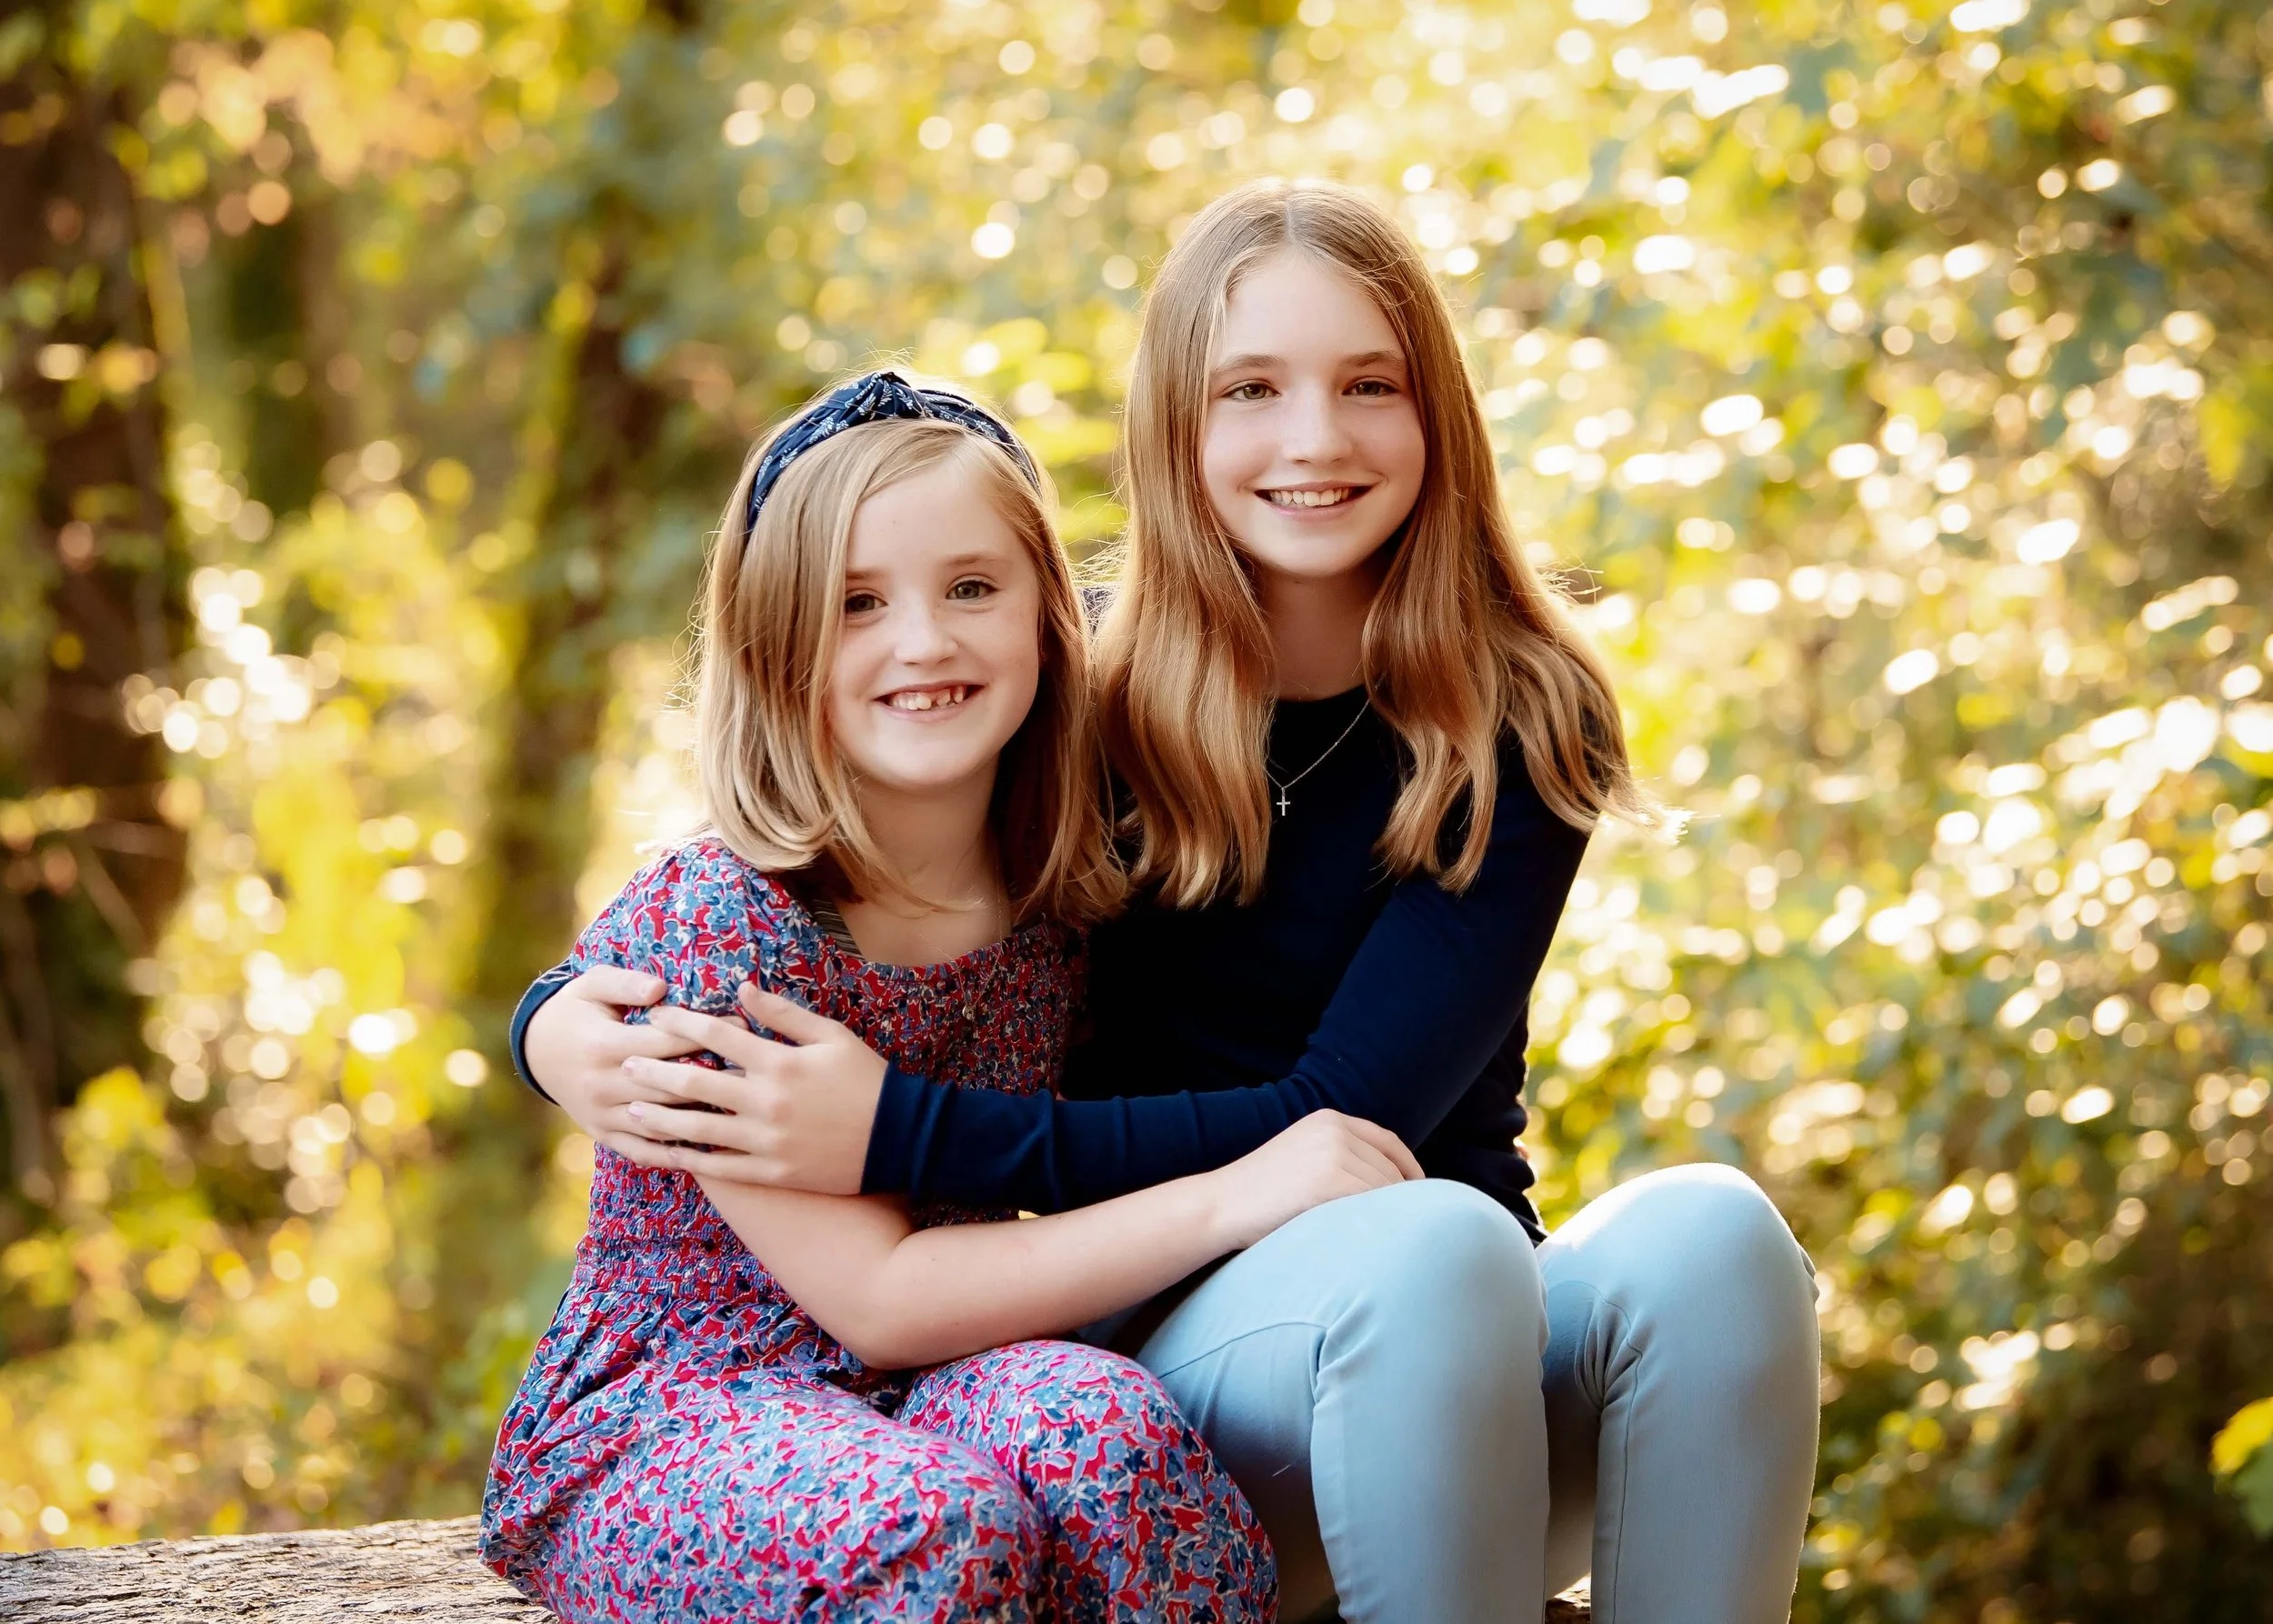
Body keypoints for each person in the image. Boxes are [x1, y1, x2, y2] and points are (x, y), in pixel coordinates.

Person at [516, 184, 1820, 1623]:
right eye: (1252, 389)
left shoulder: (1519, 720)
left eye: (1369, 384)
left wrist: (896, 1124)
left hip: (1455, 1366)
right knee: (1430, 1244)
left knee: (1711, 1234)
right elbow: (805, 867)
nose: (1314, 438)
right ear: (1174, 429)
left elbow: (1345, 1126)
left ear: (1438, 415)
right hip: (1184, 1358)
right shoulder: (1085, 701)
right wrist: (552, 1024)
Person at [484, 372, 1422, 1621]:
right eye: (857, 603)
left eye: (973, 587)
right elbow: (880, 1300)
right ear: (775, 646)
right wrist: (1234, 1194)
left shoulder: (1059, 875)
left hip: (939, 1385)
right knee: (938, 1527)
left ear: (1051, 619)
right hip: (681, 1409)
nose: (924, 642)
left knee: (1119, 1441)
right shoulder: (724, 927)